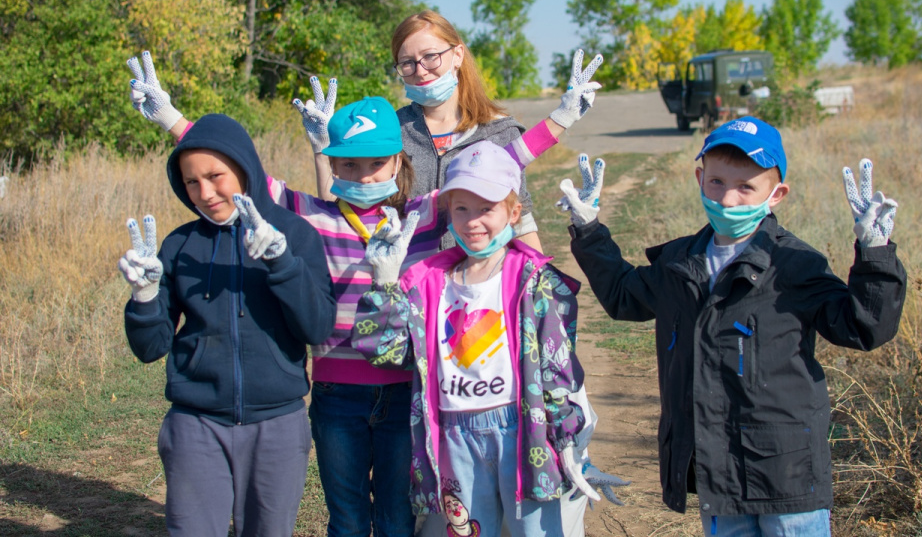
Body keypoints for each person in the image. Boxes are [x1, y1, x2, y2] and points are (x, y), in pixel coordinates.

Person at [125, 49, 603, 537]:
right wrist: (171, 119)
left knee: (398, 516)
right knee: (348, 516)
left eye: (377, 163)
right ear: (334, 167)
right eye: (349, 165)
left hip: (405, 390)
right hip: (337, 393)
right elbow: (237, 175)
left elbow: (495, 168)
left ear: (400, 160)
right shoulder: (312, 216)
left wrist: (561, 118)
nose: (365, 175)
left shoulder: (425, 213)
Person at [560, 116, 907, 536]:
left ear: (776, 194)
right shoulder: (678, 264)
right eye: (717, 182)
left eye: (747, 187)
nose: (728, 199)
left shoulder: (795, 265)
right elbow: (622, 295)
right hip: (716, 472)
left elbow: (863, 327)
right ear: (699, 178)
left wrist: (875, 255)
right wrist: (588, 230)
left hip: (786, 474)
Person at [351, 140, 603, 537]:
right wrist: (383, 284)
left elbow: (556, 369)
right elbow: (386, 352)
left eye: (486, 208)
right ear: (447, 212)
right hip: (454, 438)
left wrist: (567, 438)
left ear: (513, 212)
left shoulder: (532, 281)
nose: (473, 221)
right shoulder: (427, 284)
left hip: (524, 433)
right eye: (461, 208)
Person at [117, 113, 338, 536]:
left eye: (216, 175)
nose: (205, 192)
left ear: (245, 167)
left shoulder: (295, 233)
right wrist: (144, 298)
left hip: (277, 425)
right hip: (196, 424)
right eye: (191, 182)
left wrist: (282, 263)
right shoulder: (180, 245)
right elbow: (150, 347)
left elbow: (317, 328)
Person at [390, 10, 603, 251]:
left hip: (481, 282)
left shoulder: (498, 131)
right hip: (412, 282)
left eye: (430, 56)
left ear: (457, 55)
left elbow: (520, 221)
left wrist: (541, 280)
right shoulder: (390, 133)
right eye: (407, 63)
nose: (420, 70)